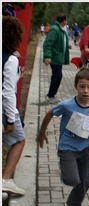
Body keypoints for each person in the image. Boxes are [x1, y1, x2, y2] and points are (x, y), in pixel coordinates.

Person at [36, 68, 89, 206]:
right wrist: (42, 132)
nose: (85, 91)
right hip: (67, 147)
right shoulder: (67, 105)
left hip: (86, 149)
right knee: (72, 179)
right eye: (82, 86)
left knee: (85, 182)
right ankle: (67, 171)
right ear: (75, 86)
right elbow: (50, 113)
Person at [2, 15, 26, 196]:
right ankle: (6, 180)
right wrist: (11, 119)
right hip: (4, 110)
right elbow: (8, 92)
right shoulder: (10, 60)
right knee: (19, 140)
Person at [42, 13, 72, 104]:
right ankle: (51, 95)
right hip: (55, 57)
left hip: (58, 57)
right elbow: (48, 43)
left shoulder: (61, 30)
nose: (66, 22)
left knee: (57, 75)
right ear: (63, 20)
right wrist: (47, 56)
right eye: (66, 20)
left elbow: (60, 41)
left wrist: (67, 45)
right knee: (57, 75)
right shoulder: (55, 30)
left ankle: (52, 95)